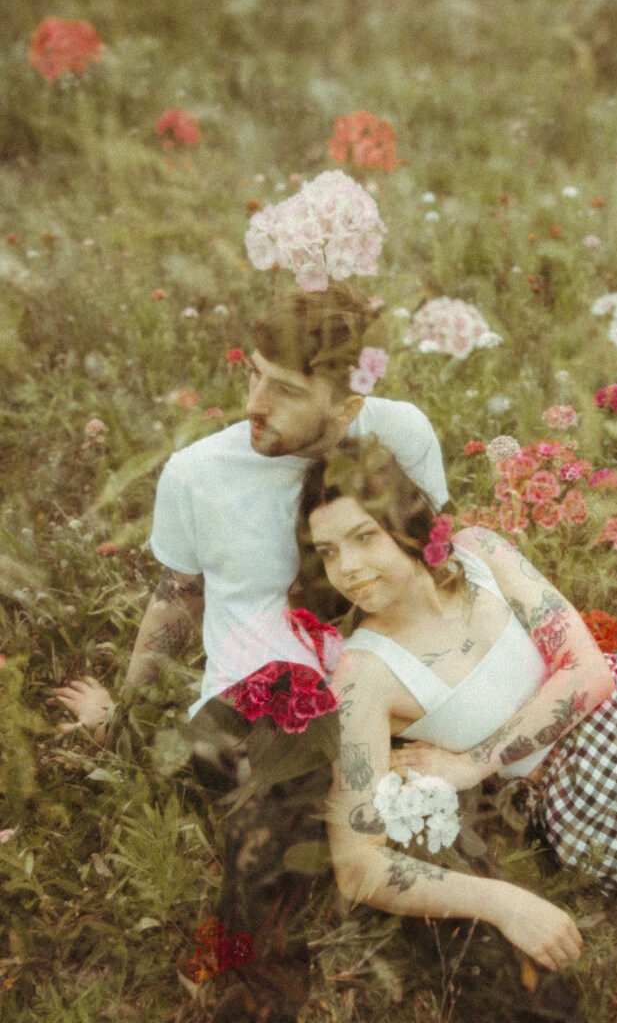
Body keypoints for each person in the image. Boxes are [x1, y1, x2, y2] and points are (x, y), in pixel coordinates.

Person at [53, 284, 449, 1022]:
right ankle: (256, 997)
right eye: (252, 374)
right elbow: (178, 595)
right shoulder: (199, 472)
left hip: (374, 681)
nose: (253, 403)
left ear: (347, 406)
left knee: (438, 811)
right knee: (283, 778)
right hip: (253, 699)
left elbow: (426, 561)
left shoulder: (403, 435)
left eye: (286, 388)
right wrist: (127, 710)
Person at [292, 436, 617, 980]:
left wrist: (473, 763)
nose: (347, 567)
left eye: (363, 537)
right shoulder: (363, 676)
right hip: (602, 797)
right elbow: (359, 864)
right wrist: (503, 902)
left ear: (403, 520)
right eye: (328, 551)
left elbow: (588, 674)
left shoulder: (480, 554)